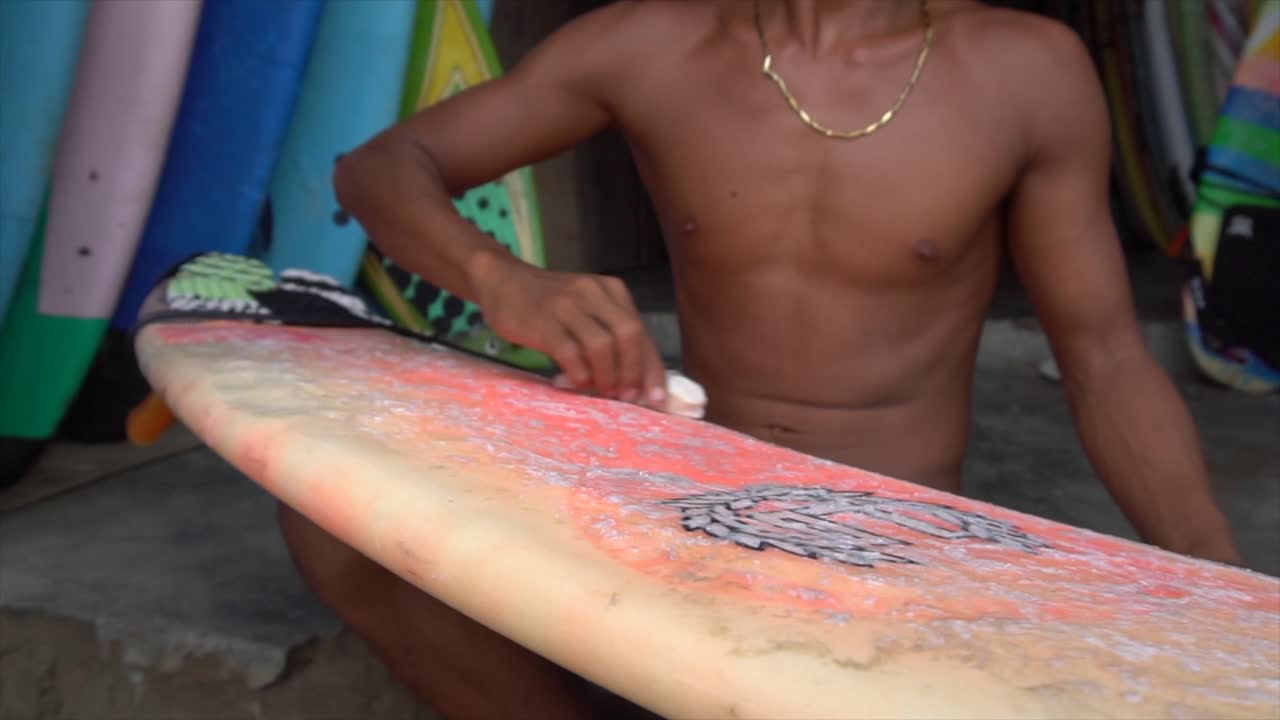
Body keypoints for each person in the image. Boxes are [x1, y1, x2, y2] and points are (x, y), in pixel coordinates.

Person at [277, 1, 1244, 717]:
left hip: (893, 551)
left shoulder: (1023, 69)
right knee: (334, 530)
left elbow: (1106, 357)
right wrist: (505, 279)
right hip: (686, 515)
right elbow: (378, 169)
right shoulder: (653, 44)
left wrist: (1219, 587)